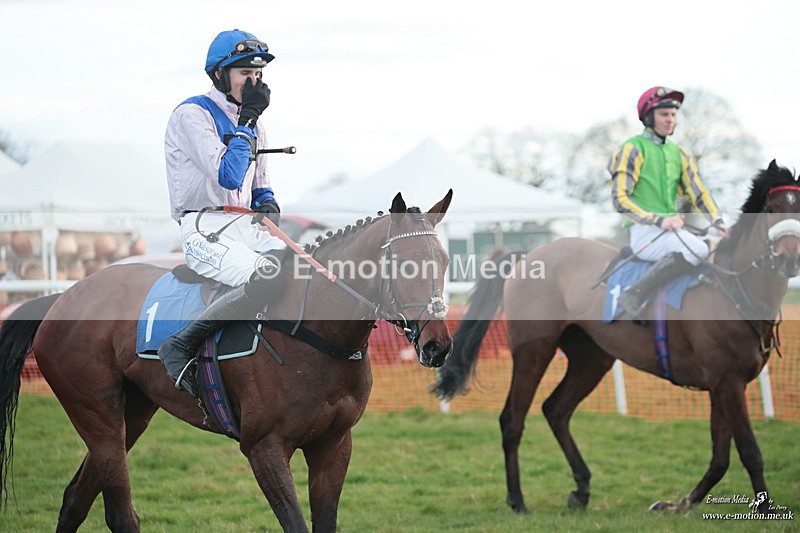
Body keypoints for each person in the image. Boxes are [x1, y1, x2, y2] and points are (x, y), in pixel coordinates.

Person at [160, 29, 286, 396]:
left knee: (301, 274)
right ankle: (180, 345)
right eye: (245, 74)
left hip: (244, 226)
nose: (254, 82)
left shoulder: (257, 125)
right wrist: (246, 120)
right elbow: (228, 173)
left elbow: (259, 184)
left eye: (259, 75)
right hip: (203, 226)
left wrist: (268, 204)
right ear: (219, 74)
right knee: (265, 277)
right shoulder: (191, 115)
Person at [608, 86, 728, 321]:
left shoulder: (680, 153)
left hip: (672, 229)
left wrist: (719, 221)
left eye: (673, 115)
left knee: (710, 245)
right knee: (699, 249)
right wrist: (659, 220)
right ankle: (634, 294)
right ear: (648, 117)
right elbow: (619, 200)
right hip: (644, 232)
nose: (670, 120)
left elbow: (698, 192)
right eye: (664, 114)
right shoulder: (632, 149)